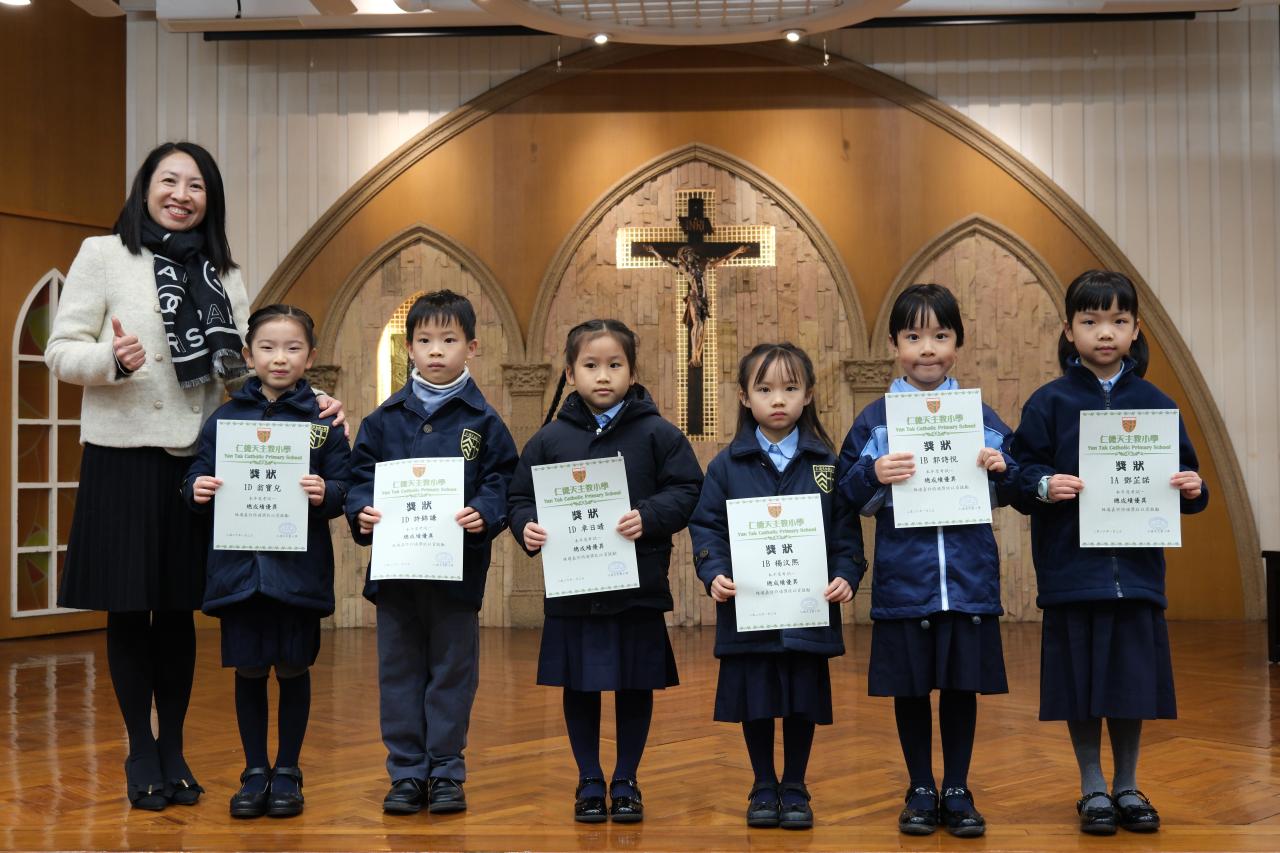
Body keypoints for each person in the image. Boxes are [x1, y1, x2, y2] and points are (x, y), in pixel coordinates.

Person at [45, 141, 345, 811]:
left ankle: (174, 746)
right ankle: (140, 749)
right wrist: (112, 359)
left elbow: (245, 371)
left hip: (200, 463)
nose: (181, 195)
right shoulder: (103, 254)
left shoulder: (223, 272)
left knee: (178, 610)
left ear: (210, 200)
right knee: (130, 609)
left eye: (196, 185)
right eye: (169, 181)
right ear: (145, 188)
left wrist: (312, 404)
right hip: (122, 456)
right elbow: (59, 352)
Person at [1011, 270, 1208, 835]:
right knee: (1080, 685)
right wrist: (1045, 484)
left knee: (1129, 683)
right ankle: (1092, 786)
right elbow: (1019, 478)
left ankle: (1127, 784)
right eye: (1091, 320)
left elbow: (1189, 482)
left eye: (1118, 321)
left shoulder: (1156, 403)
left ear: (1136, 330)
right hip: (1072, 572)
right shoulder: (1048, 403)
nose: (1105, 332)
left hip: (1137, 574)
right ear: (1068, 330)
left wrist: (1192, 488)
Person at [837, 284, 1019, 838]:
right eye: (914, 336)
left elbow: (1015, 481)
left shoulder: (977, 415)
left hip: (967, 579)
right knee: (911, 688)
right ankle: (920, 786)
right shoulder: (876, 420)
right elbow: (846, 493)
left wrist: (1000, 467)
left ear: (957, 343)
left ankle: (957, 788)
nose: (928, 349)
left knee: (961, 687)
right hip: (906, 582)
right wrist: (874, 474)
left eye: (940, 335)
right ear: (895, 344)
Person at [507, 319, 702, 823]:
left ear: (632, 372)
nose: (602, 375)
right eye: (590, 365)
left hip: (637, 586)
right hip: (574, 588)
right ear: (570, 373)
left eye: (615, 365)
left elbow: (688, 489)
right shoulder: (549, 439)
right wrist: (527, 526)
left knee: (635, 683)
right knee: (580, 684)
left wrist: (649, 515)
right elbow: (519, 497)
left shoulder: (658, 433)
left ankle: (627, 778)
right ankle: (590, 778)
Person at [345, 290, 518, 815]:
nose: (436, 350)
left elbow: (503, 479)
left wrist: (485, 511)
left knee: (451, 674)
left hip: (455, 575)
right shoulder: (383, 420)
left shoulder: (483, 422)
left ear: (472, 348)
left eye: (449, 340)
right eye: (424, 340)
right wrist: (361, 510)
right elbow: (359, 477)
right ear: (410, 349)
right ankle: (405, 774)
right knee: (398, 674)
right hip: (396, 575)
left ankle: (445, 771)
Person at [184, 304, 351, 818]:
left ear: (311, 357)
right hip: (240, 572)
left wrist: (327, 492)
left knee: (294, 667)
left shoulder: (323, 421)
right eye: (268, 347)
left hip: (297, 573)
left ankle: (289, 771)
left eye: (293, 348)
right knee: (250, 670)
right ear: (248, 354)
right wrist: (196, 487)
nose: (281, 358)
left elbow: (345, 486)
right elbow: (196, 470)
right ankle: (255, 770)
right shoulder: (225, 419)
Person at [687, 343, 863, 830]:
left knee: (803, 697)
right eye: (765, 389)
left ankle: (796, 784)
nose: (778, 399)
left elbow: (845, 531)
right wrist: (713, 572)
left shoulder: (826, 465)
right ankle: (763, 783)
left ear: (809, 395)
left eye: (790, 388)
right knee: (757, 698)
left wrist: (846, 574)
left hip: (808, 608)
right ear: (745, 397)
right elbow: (706, 526)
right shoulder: (726, 466)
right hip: (750, 610)